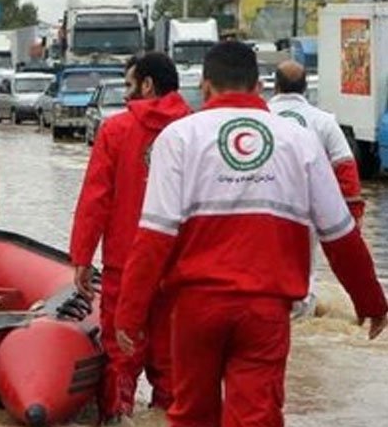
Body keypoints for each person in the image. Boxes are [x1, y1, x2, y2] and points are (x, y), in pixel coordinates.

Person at [114, 42, 387, 427]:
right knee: (257, 415)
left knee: (191, 414)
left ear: (205, 87)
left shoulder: (178, 138)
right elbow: (340, 234)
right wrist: (370, 301)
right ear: (259, 87)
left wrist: (130, 313)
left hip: (195, 308)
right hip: (267, 310)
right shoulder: (301, 140)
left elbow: (155, 236)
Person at [70, 53, 192, 423]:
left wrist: (80, 257)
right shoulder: (196, 130)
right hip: (182, 269)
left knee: (120, 362)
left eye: (128, 85)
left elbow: (96, 199)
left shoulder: (116, 130)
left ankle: (116, 417)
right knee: (173, 368)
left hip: (125, 266)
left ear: (147, 85)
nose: (126, 94)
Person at [269, 60, 365, 318]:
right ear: (305, 89)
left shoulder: (260, 116)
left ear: (275, 86)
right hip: (307, 209)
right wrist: (352, 214)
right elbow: (346, 168)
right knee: (304, 269)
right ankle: (302, 316)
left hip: (261, 204)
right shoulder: (324, 121)